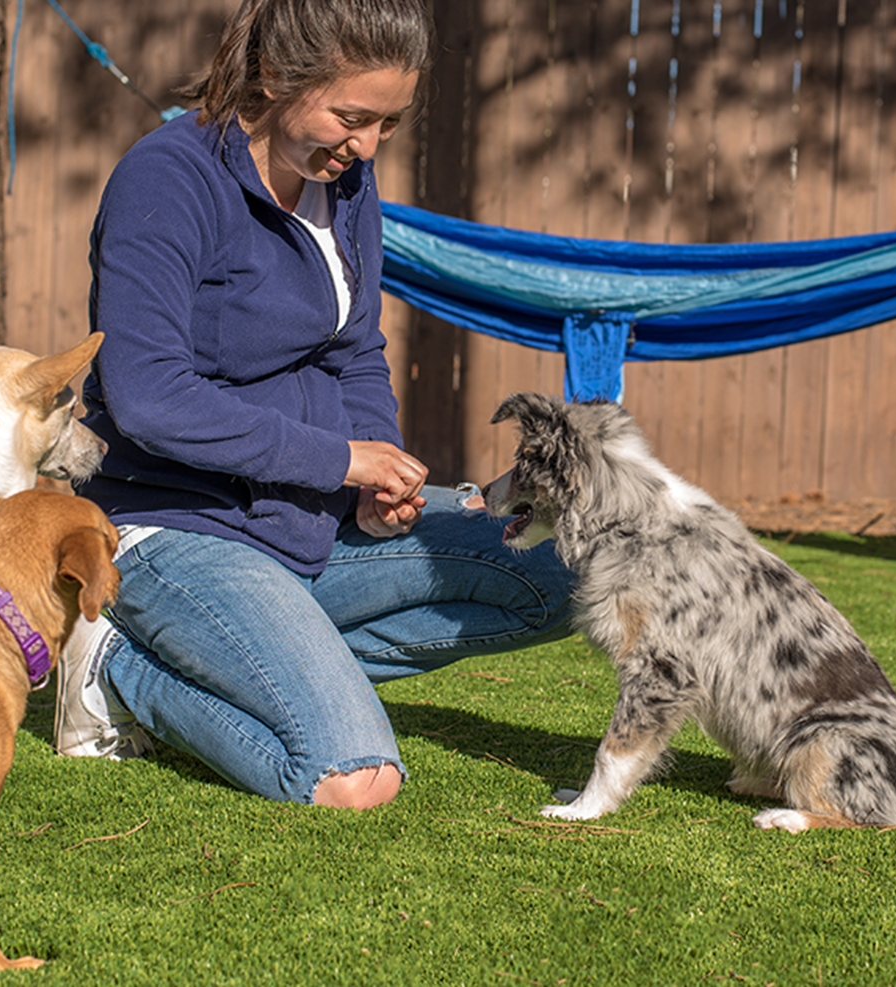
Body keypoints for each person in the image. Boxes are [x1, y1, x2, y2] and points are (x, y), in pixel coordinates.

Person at [56, 0, 576, 810]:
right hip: (176, 526)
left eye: (388, 124)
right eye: (352, 116)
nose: (366, 146)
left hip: (308, 520)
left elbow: (353, 349)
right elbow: (149, 397)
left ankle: (262, 650)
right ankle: (120, 670)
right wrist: (337, 459)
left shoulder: (347, 183)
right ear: (274, 77)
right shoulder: (165, 180)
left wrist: (375, 476)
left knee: (570, 570)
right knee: (350, 776)